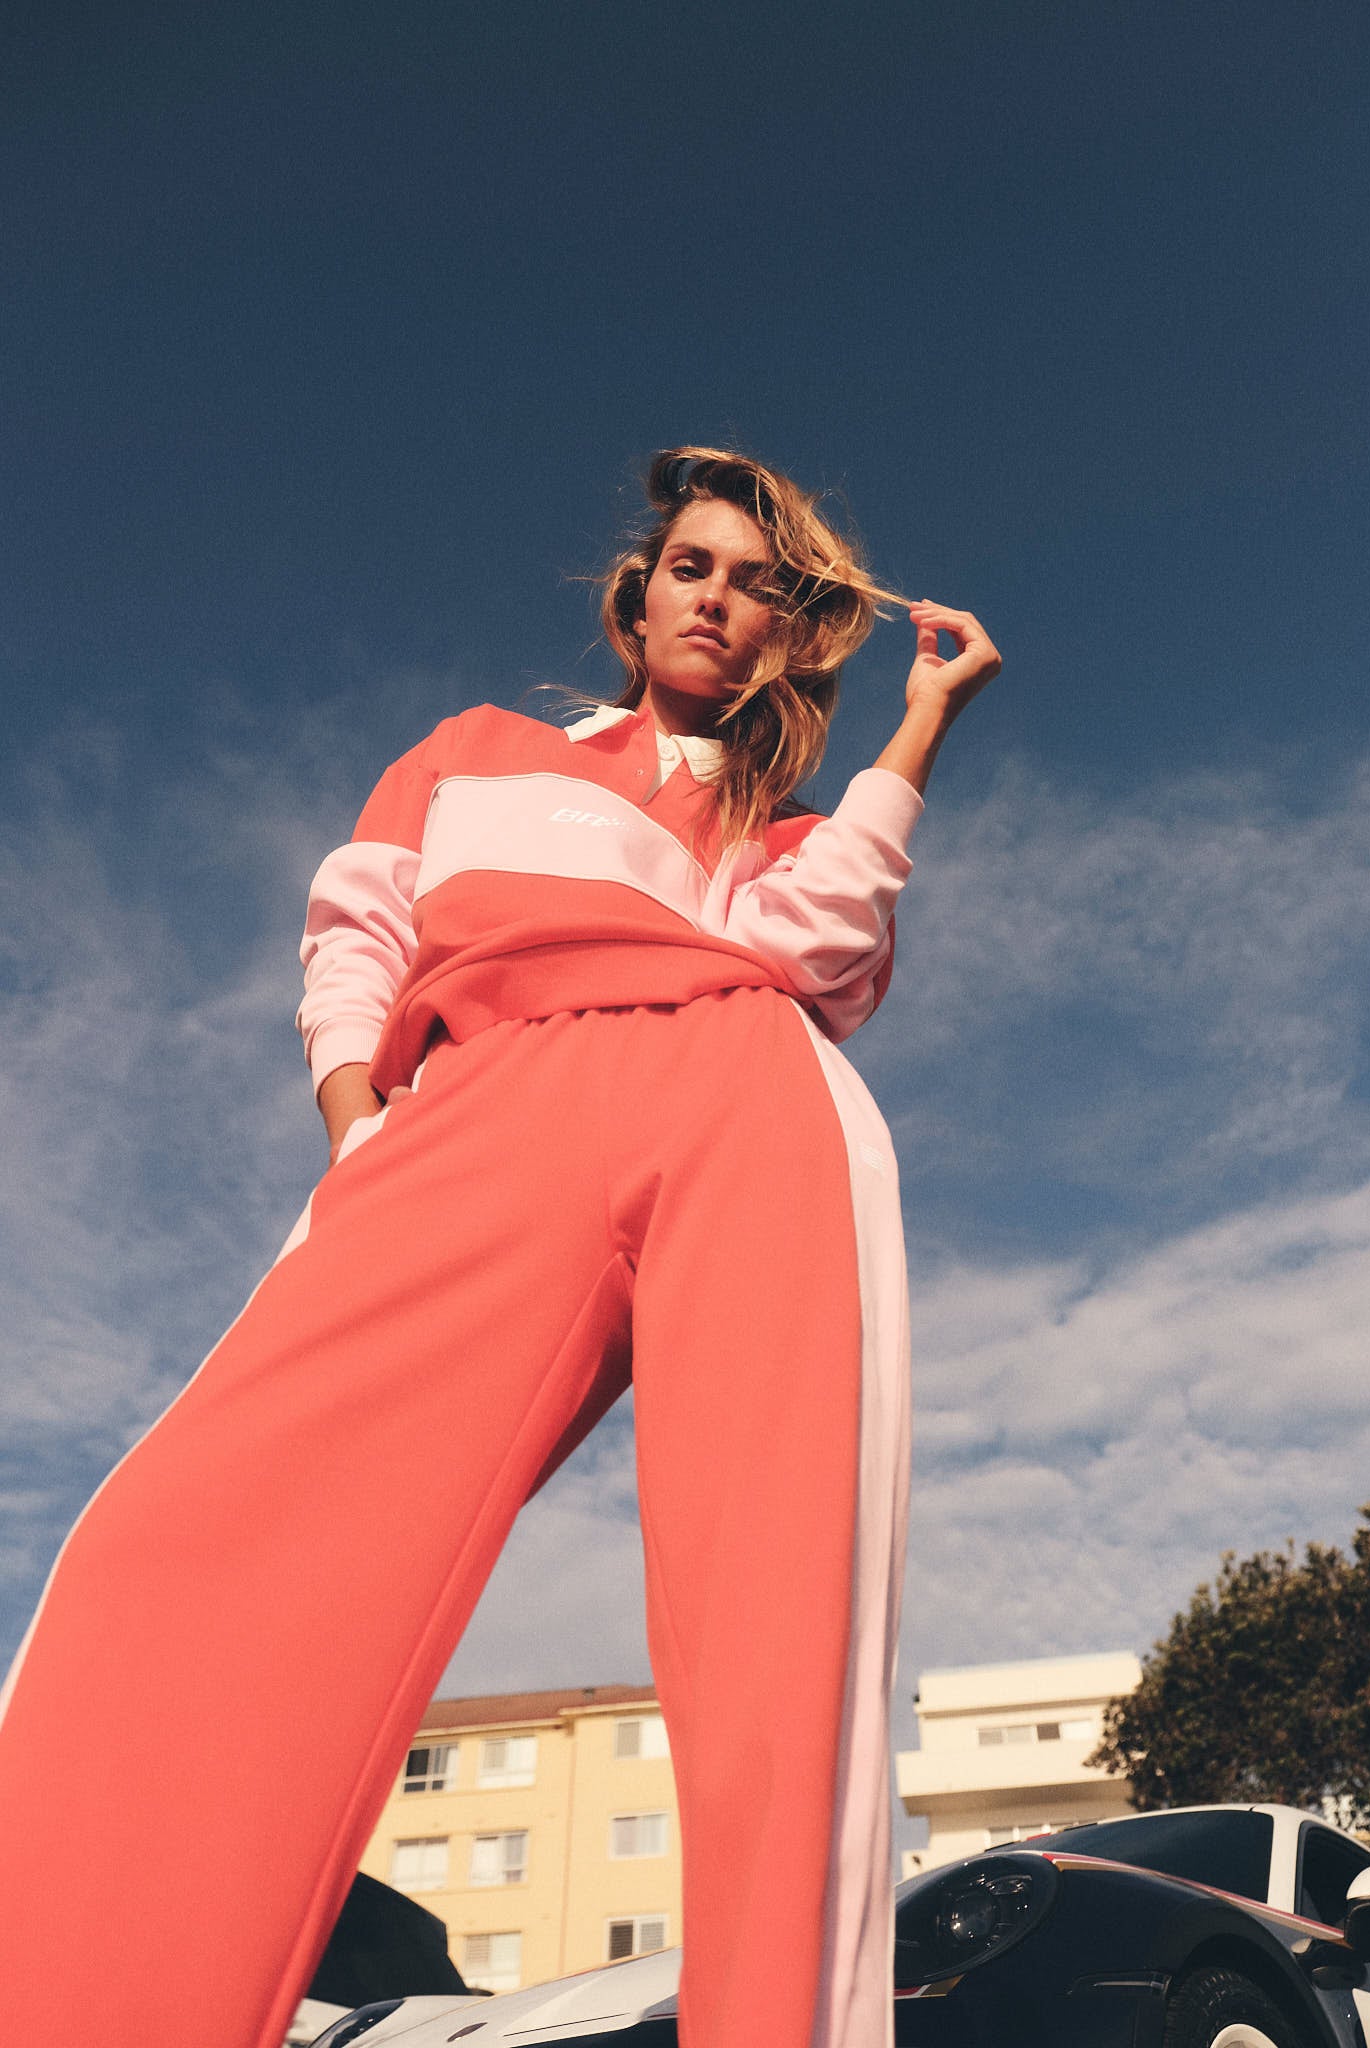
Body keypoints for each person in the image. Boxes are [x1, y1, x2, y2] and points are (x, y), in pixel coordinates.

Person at [0, 447, 1001, 2048]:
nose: (720, 603)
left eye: (759, 586)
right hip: (478, 1101)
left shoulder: (770, 814)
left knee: (781, 1621)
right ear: (638, 590)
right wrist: (357, 1120)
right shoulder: (474, 753)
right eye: (694, 567)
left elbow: (814, 952)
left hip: (740, 1087)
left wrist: (917, 734)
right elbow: (360, 930)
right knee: (178, 1552)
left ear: (786, 631)